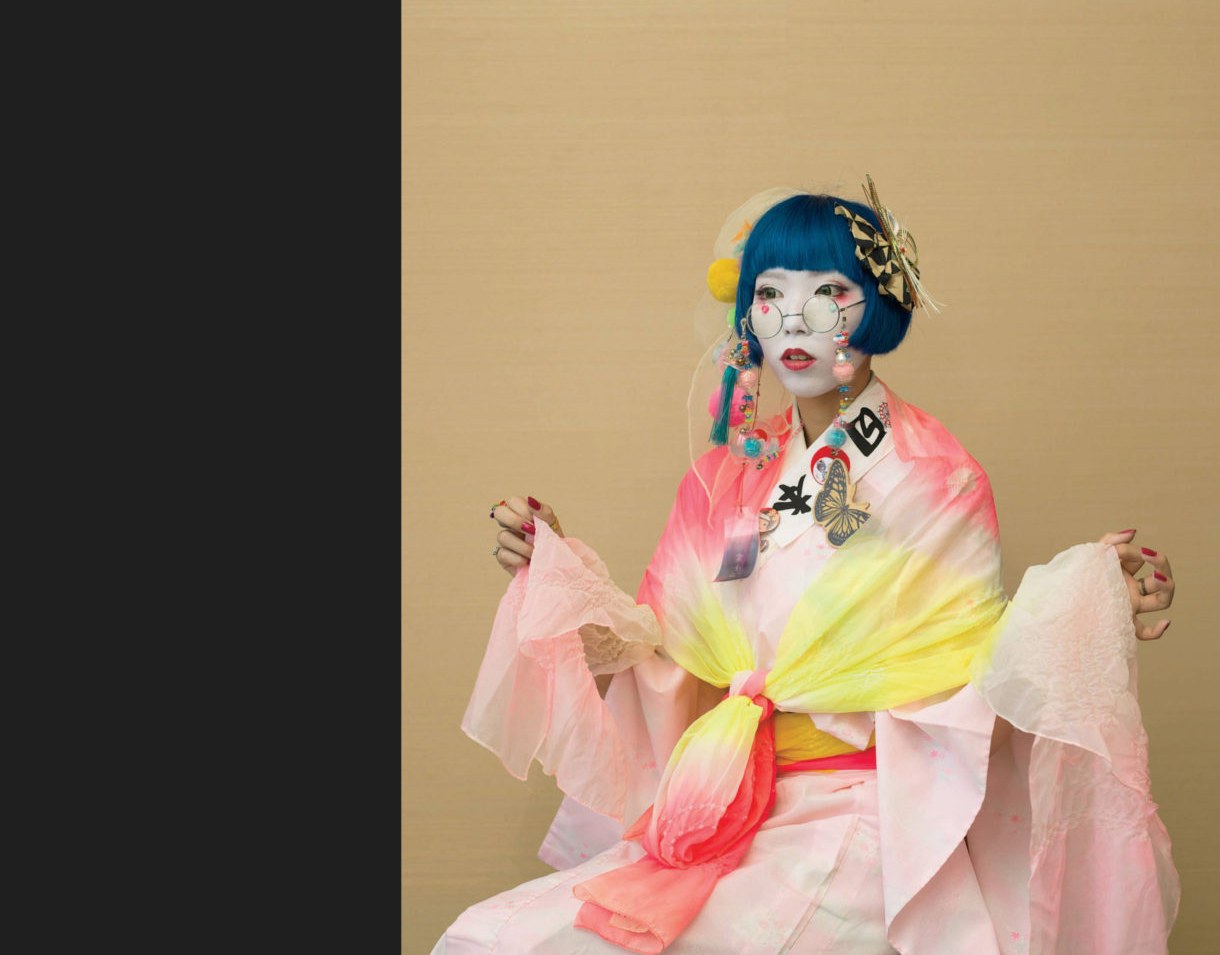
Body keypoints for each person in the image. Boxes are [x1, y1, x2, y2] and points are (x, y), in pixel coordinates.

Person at [435, 182, 1180, 954]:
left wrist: (1086, 603)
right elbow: (662, 657)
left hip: (863, 813)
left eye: (827, 293)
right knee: (491, 940)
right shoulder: (727, 475)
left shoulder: (936, 477)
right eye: (769, 294)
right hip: (726, 802)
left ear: (877, 304)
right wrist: (558, 572)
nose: (793, 320)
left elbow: (971, 676)